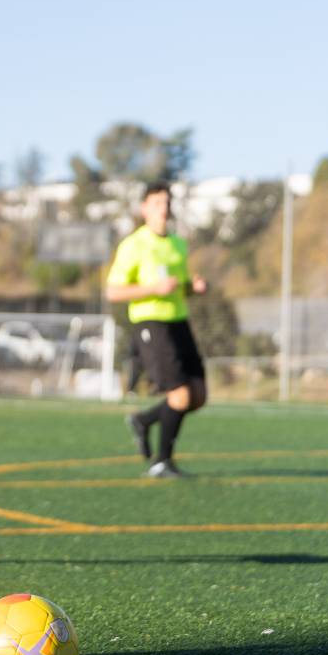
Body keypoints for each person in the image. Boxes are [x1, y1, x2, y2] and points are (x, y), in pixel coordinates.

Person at [106, 182, 208, 478]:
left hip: (179, 320)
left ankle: (144, 420)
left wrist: (194, 287)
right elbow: (113, 291)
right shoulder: (133, 245)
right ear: (144, 208)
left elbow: (180, 286)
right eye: (157, 203)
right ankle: (161, 462)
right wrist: (154, 288)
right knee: (180, 395)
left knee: (198, 395)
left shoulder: (177, 243)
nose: (164, 208)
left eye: (167, 202)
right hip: (151, 322)